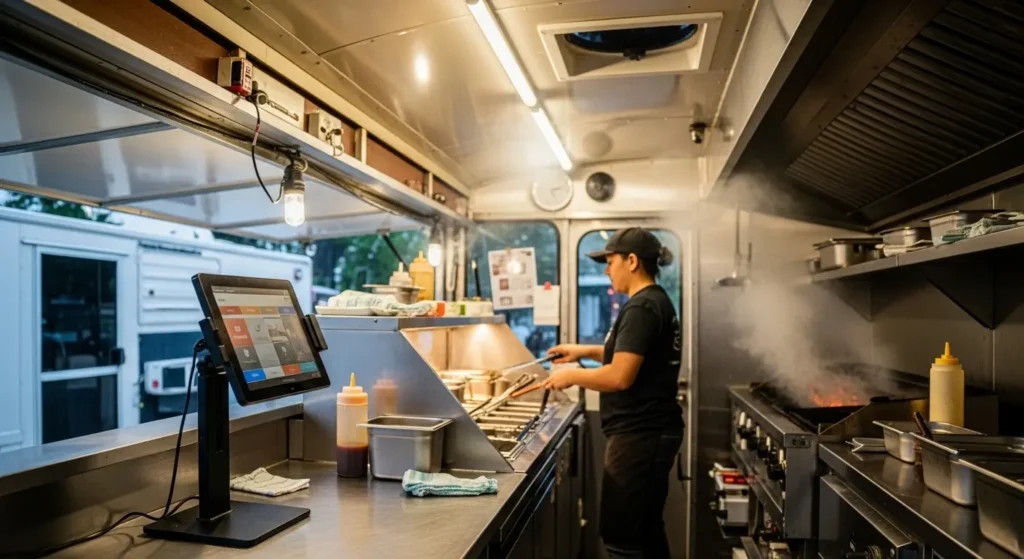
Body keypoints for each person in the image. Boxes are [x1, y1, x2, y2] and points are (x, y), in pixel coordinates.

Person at [544, 227, 683, 559]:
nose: (607, 270)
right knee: (645, 530)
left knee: (624, 536)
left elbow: (620, 376)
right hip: (648, 432)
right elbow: (630, 355)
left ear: (632, 261)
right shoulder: (655, 301)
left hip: (641, 434)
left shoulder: (642, 307)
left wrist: (571, 376)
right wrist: (582, 351)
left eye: (610, 261)